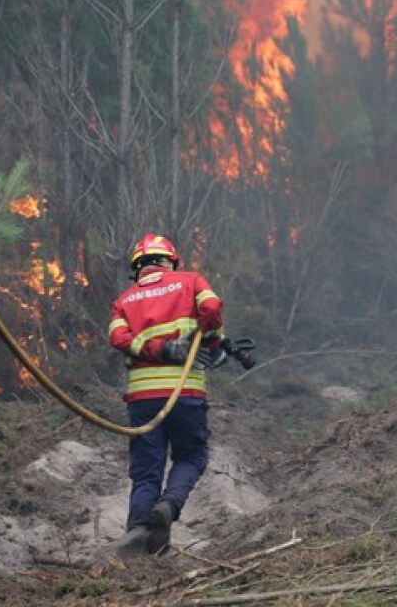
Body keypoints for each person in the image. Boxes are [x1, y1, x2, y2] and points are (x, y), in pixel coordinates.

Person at [107, 233, 225, 558]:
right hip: (185, 393)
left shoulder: (125, 300)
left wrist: (159, 347)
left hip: (143, 399)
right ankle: (169, 506)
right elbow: (212, 309)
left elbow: (117, 338)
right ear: (170, 261)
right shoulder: (191, 282)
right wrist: (211, 344)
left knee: (146, 472)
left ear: (138, 268)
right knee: (192, 456)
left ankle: (139, 544)